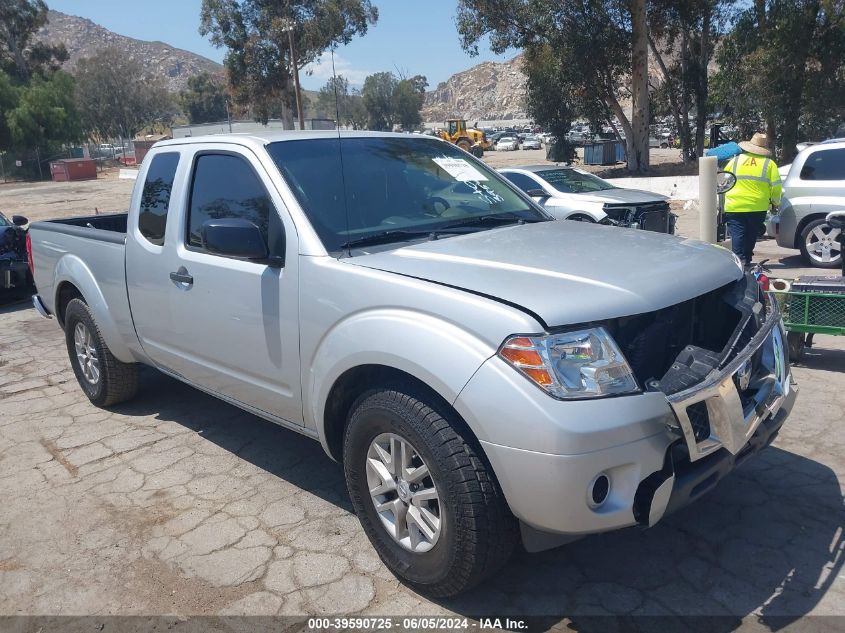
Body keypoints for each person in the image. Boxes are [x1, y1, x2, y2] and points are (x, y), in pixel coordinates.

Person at [723, 132, 782, 266]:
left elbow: (724, 180)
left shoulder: (735, 161)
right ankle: (747, 258)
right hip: (757, 206)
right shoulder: (769, 164)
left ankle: (739, 260)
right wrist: (775, 202)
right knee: (751, 234)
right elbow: (777, 186)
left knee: (738, 234)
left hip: (734, 204)